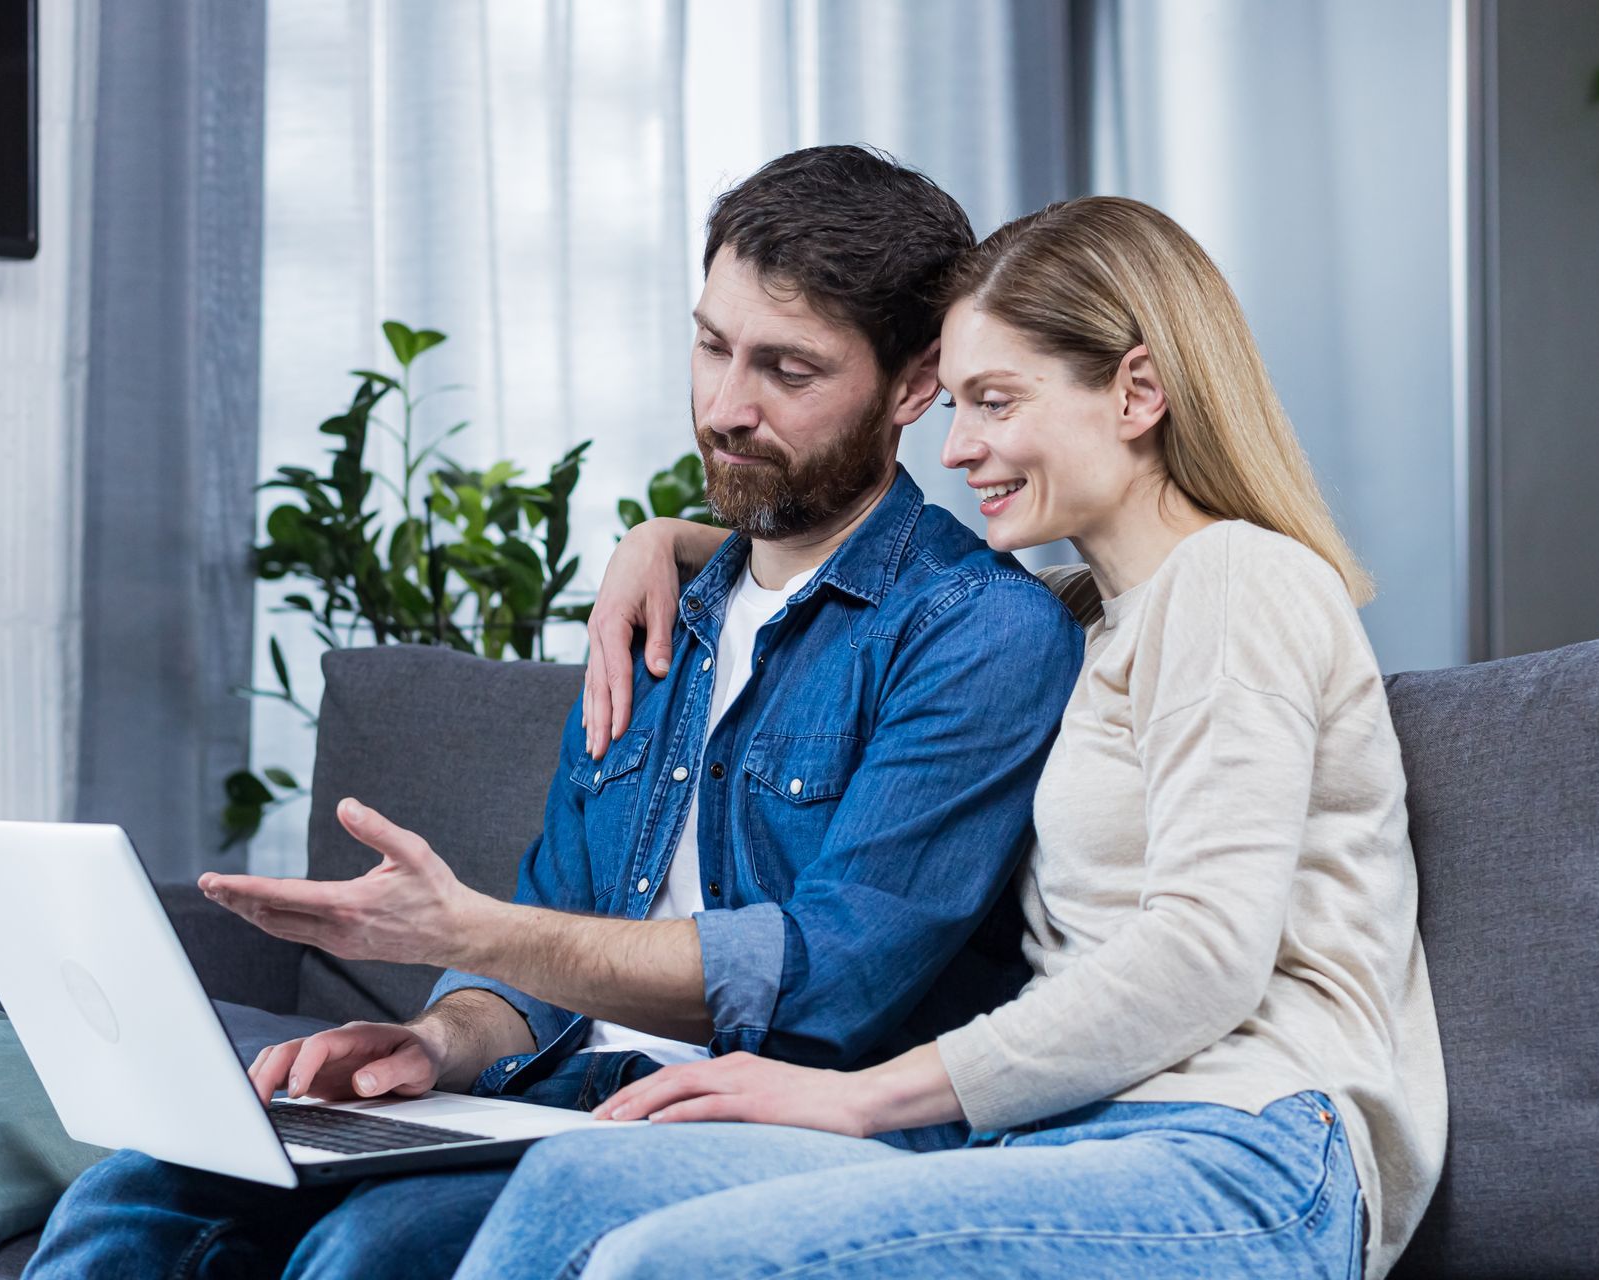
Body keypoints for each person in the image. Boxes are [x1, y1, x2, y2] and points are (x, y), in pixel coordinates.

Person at [23, 146, 1085, 1280]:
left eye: (788, 368)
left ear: (916, 383)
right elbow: (551, 934)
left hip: (756, 1124)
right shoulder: (659, 613)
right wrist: (436, 1040)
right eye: (713, 343)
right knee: (134, 1191)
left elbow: (829, 976)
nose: (727, 407)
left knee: (362, 1250)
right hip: (546, 1099)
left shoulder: (979, 633)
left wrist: (462, 928)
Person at [454, 195, 1448, 1280]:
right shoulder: (1081, 618)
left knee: (672, 1261)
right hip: (1058, 1135)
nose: (960, 444)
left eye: (996, 401)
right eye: (957, 401)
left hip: (1244, 1149)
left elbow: (1204, 955)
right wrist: (669, 540)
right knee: (575, 1186)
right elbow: (859, 575)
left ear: (1138, 391)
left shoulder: (1235, 581)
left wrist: (859, 1095)